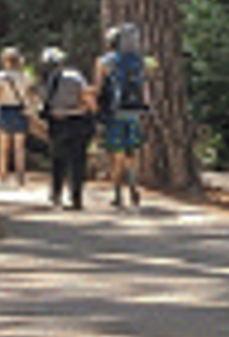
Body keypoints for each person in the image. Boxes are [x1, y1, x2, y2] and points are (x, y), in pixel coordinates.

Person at [96, 26, 154, 209]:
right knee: (131, 152)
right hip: (134, 112)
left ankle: (117, 193)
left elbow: (98, 87)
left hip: (114, 112)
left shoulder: (104, 61)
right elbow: (144, 86)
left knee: (117, 154)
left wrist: (97, 108)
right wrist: (145, 106)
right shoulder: (139, 61)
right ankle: (133, 184)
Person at [35, 46, 98, 210]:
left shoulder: (43, 81)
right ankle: (76, 196)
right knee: (78, 161)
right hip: (78, 121)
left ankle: (56, 193)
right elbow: (87, 97)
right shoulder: (75, 76)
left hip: (57, 122)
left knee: (58, 160)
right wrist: (90, 111)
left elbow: (41, 103)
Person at [0, 46, 38, 188]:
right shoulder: (25, 77)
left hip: (4, 110)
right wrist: (32, 111)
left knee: (3, 145)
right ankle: (20, 174)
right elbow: (30, 95)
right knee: (19, 145)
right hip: (20, 111)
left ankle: (3, 174)